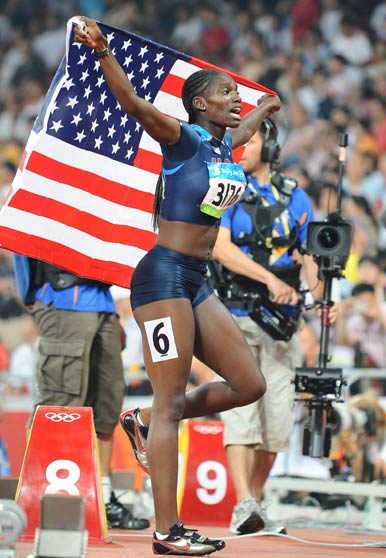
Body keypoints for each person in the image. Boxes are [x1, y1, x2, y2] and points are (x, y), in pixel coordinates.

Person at [74, 15, 281, 556]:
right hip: (162, 277)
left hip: (195, 279)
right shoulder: (183, 138)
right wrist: (103, 54)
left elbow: (247, 128)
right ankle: (167, 531)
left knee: (249, 384)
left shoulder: (222, 146)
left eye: (236, 93)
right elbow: (135, 107)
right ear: (199, 106)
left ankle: (142, 421)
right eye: (225, 94)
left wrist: (267, 104)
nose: (235, 99)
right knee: (171, 402)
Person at [211, 117, 336, 534]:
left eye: (250, 138)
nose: (241, 145)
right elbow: (220, 247)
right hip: (235, 318)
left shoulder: (296, 197)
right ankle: (244, 503)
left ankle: (254, 502)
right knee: (242, 415)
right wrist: (269, 280)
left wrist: (321, 299)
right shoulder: (228, 189)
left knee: (278, 423)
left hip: (283, 326)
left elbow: (309, 255)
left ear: (270, 145)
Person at [12, 256, 149, 531]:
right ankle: (41, 496)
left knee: (107, 407)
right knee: (58, 405)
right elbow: (23, 246)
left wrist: (111, 314)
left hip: (102, 302)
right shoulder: (43, 211)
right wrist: (37, 297)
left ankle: (102, 498)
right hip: (61, 299)